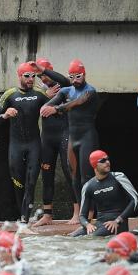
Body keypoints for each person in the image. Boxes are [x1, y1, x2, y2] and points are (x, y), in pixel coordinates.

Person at [0, 62, 67, 223]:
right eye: (27, 76)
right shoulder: (9, 94)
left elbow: (58, 109)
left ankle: (24, 220)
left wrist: (54, 102)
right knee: (18, 183)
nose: (31, 79)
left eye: (33, 76)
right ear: (19, 76)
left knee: (31, 183)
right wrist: (5, 115)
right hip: (16, 146)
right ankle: (22, 216)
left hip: (34, 145)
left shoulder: (40, 94)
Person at [41, 59, 99, 225]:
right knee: (75, 177)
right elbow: (49, 103)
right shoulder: (66, 90)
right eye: (72, 76)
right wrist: (46, 105)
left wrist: (56, 109)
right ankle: (80, 213)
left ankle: (89, 213)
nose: (75, 79)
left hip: (87, 137)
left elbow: (77, 103)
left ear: (84, 74)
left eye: (78, 76)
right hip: (73, 138)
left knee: (87, 177)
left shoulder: (90, 91)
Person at [32, 58, 72, 227]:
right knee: (46, 174)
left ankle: (78, 213)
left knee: (69, 172)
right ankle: (47, 214)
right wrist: (44, 95)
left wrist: (43, 71)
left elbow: (64, 80)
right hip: (47, 137)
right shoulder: (40, 91)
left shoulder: (64, 86)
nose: (43, 79)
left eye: (45, 75)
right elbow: (29, 110)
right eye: (40, 76)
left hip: (64, 133)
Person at [76, 150, 138, 236]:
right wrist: (87, 225)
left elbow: (136, 200)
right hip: (99, 224)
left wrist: (118, 220)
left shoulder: (118, 177)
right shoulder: (88, 186)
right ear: (94, 165)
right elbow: (82, 215)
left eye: (107, 159)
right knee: (71, 237)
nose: (107, 162)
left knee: (91, 238)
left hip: (117, 223)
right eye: (103, 161)